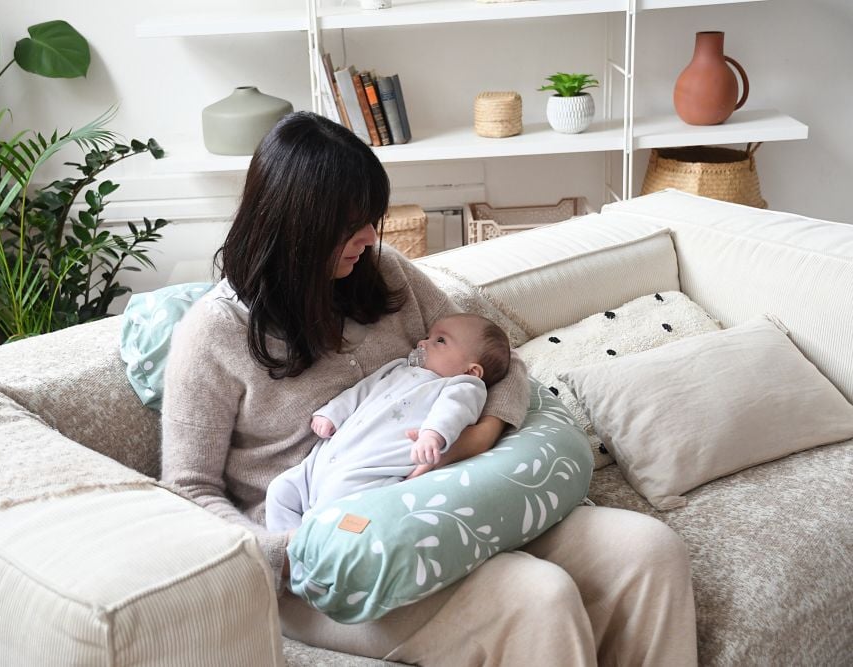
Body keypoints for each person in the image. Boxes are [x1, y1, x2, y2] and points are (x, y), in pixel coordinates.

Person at [162, 111, 698, 665]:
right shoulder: (213, 333)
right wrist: (290, 553)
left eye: (371, 219)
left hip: (443, 498)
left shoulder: (385, 273)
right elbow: (188, 489)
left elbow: (499, 360)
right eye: (351, 225)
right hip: (330, 553)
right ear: (297, 226)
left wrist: (481, 436)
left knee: (649, 550)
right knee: (536, 596)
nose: (371, 237)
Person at [264, 313, 511, 532]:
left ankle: (310, 550)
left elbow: (452, 411)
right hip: (323, 459)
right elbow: (363, 390)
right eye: (428, 336)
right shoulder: (399, 368)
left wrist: (432, 435)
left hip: (369, 471)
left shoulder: (463, 386)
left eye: (440, 341)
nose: (422, 343)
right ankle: (289, 548)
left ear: (471, 371)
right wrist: (333, 413)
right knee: (280, 491)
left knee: (330, 512)